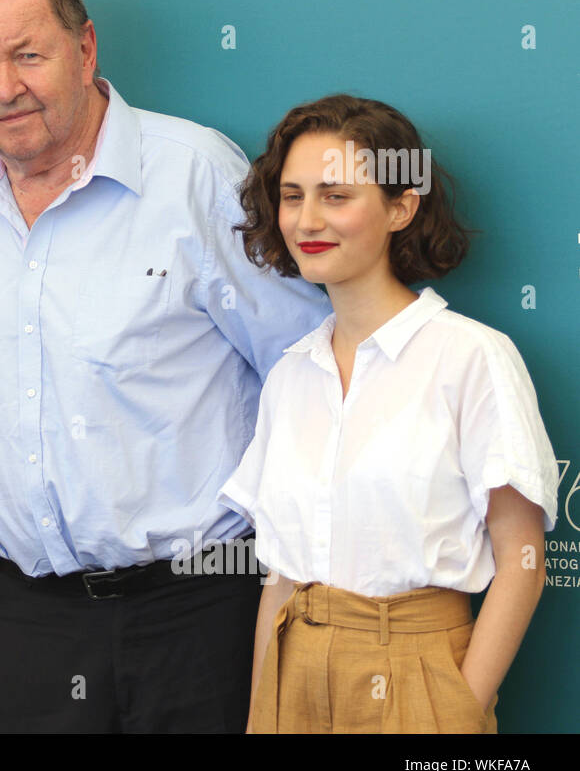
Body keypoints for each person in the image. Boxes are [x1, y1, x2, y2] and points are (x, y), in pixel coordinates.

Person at [0, 0, 331, 732]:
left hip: (201, 611)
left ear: (84, 50)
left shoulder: (196, 175)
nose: (3, 87)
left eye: (26, 55)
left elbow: (310, 376)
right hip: (30, 622)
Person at [221, 94, 556, 733]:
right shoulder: (291, 374)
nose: (306, 219)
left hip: (422, 674)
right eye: (292, 196)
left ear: (402, 207)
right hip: (295, 675)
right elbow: (281, 579)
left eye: (336, 195)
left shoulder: (472, 356)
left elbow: (522, 558)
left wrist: (459, 709)